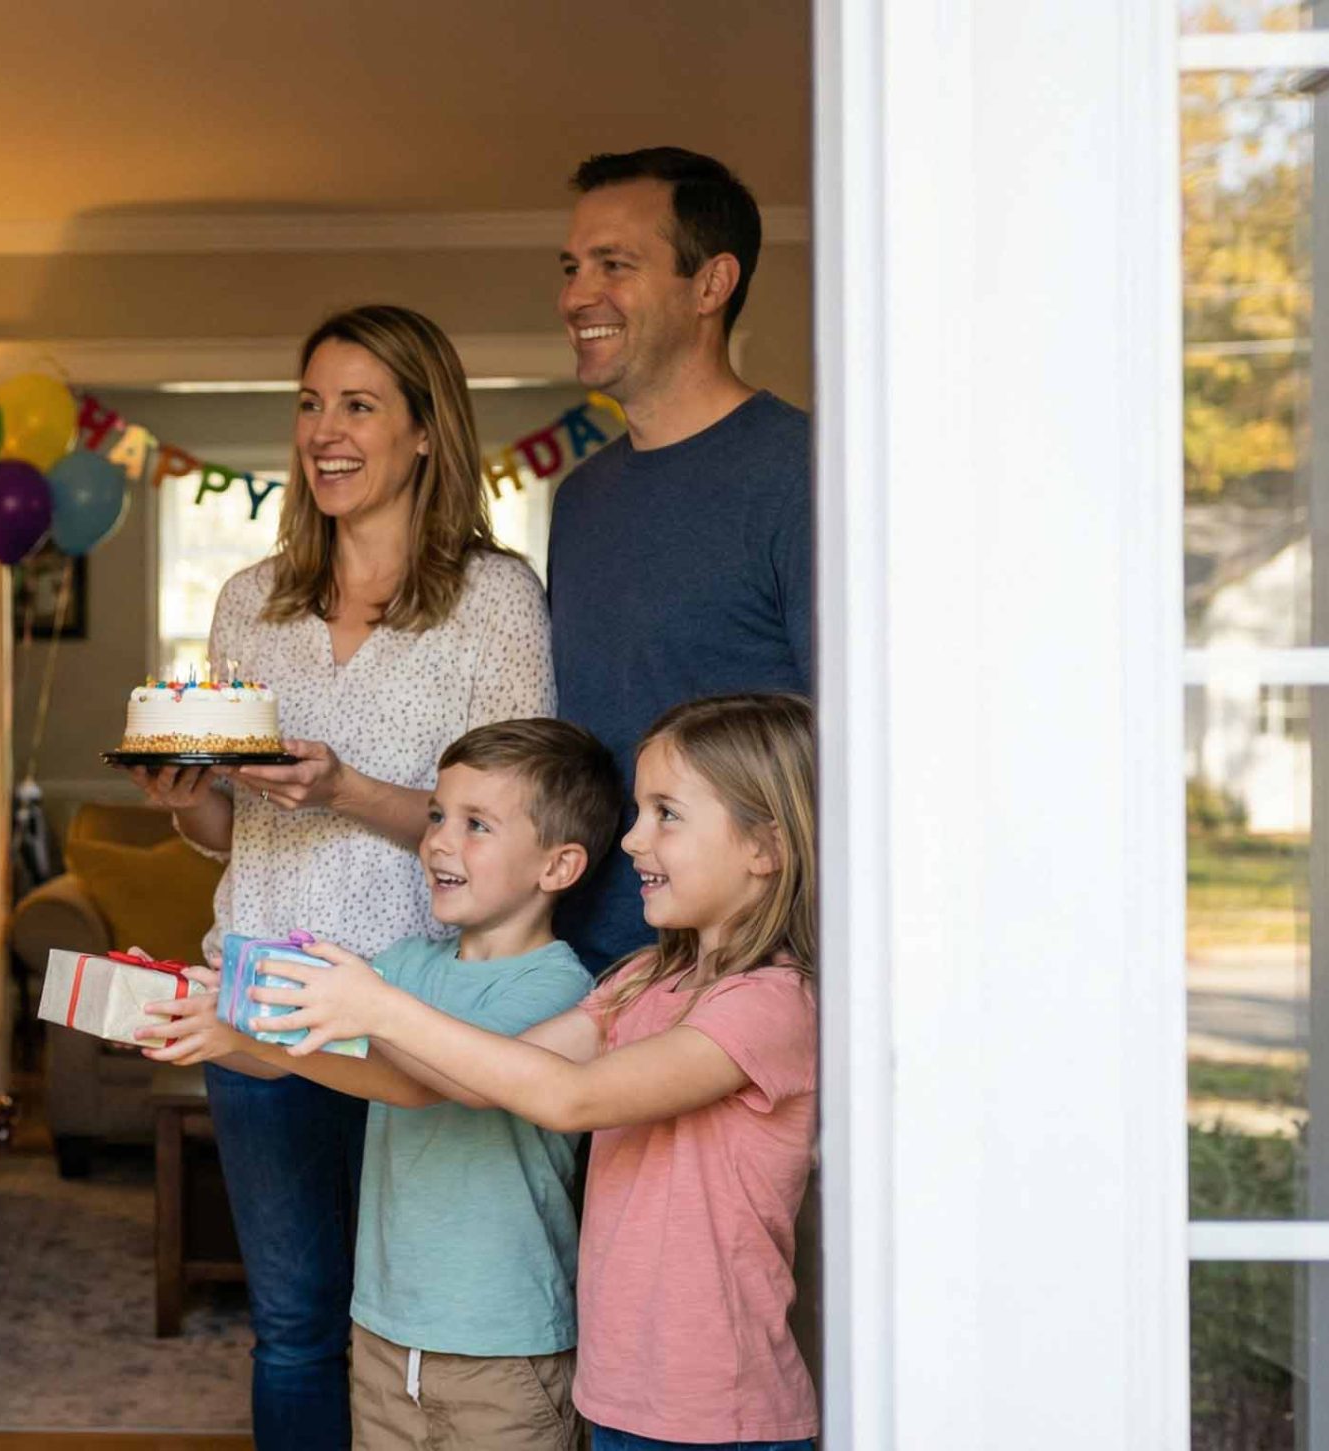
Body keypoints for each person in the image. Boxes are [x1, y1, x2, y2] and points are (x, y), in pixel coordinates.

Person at [126, 303, 556, 1449]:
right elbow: (234, 830)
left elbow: (517, 830)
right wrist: (191, 803)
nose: (324, 429)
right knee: (296, 1326)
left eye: (359, 404)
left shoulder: (494, 599)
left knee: (417, 1327)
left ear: (425, 431)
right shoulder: (248, 604)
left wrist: (348, 790)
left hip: (415, 1009)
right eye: (310, 403)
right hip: (259, 998)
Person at [240, 694, 822, 1450]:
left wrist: (379, 1008)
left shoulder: (772, 1004)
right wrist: (235, 1016)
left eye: (666, 813)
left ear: (765, 845)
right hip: (614, 1390)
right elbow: (475, 1081)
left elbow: (570, 1096)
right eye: (639, 811)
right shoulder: (640, 981)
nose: (636, 838)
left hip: (721, 1412)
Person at [137, 718, 622, 1450]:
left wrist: (266, 1031)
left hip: (505, 1345)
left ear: (557, 867)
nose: (438, 841)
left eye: (476, 824)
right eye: (435, 815)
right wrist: (205, 1021)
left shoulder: (558, 989)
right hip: (386, 1333)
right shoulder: (404, 964)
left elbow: (422, 1082)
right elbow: (291, 1051)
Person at [549, 148, 812, 973]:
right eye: (572, 266)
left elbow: (842, 749)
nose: (576, 295)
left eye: (614, 265)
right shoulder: (581, 497)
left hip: (746, 976)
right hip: (588, 964)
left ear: (711, 284)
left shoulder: (808, 473)